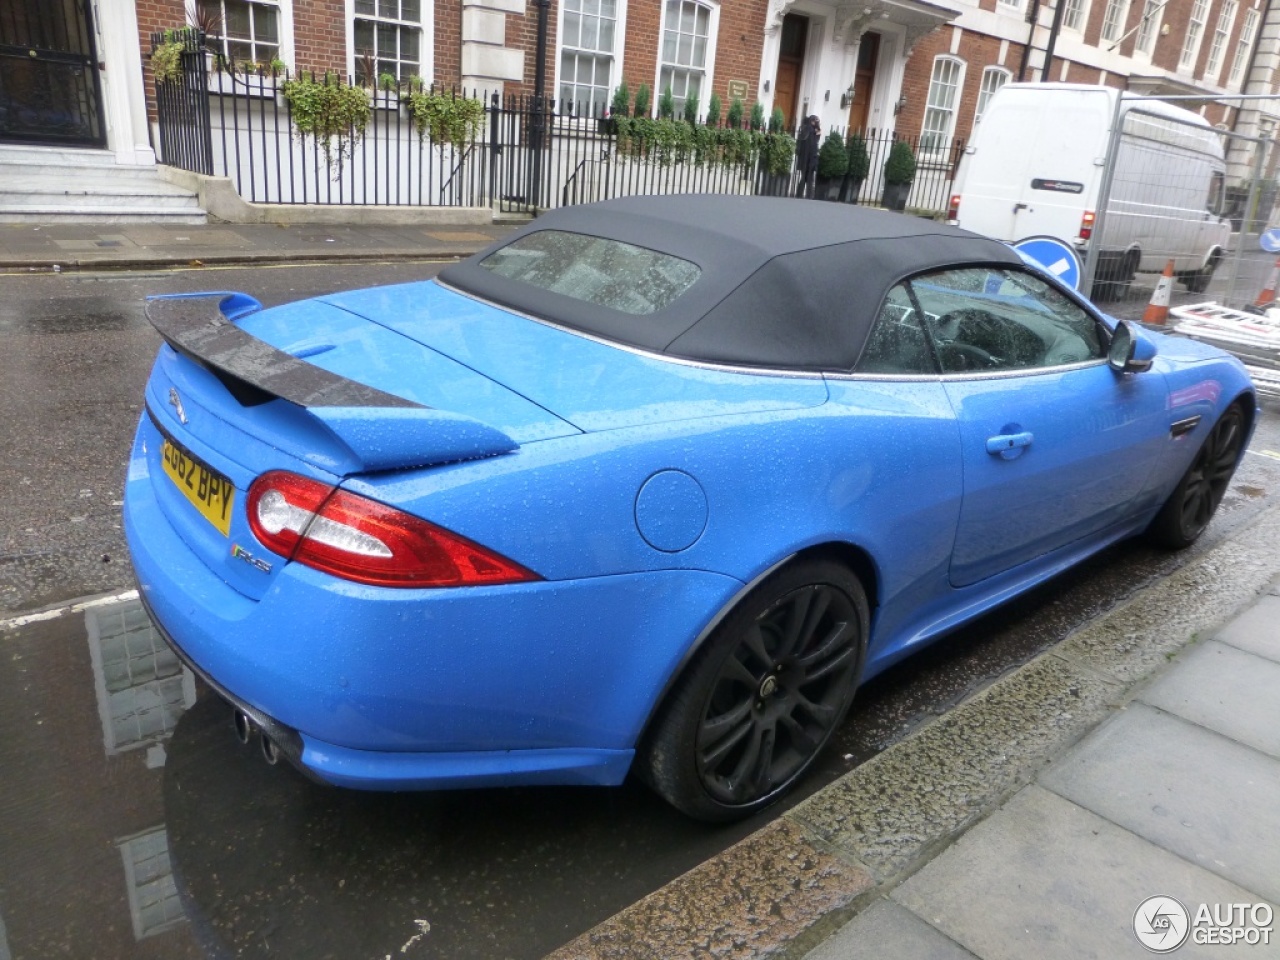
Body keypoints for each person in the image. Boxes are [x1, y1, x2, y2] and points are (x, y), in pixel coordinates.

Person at [795, 115, 821, 199]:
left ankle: (802, 194)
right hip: (808, 158)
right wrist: (817, 133)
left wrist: (817, 134)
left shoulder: (808, 129)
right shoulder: (809, 130)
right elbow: (812, 145)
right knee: (808, 177)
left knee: (806, 177)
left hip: (808, 158)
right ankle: (807, 194)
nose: (816, 123)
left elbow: (814, 142)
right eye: (815, 121)